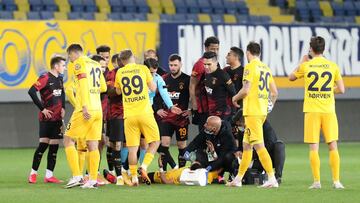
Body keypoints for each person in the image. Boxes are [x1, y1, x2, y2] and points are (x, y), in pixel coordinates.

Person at [289, 36, 345, 189]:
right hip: (328, 110)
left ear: (311, 49)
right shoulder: (332, 66)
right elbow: (342, 89)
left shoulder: (306, 66)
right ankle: (336, 181)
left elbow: (291, 77)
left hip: (312, 110)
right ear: (323, 49)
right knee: (333, 145)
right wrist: (328, 92)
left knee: (314, 147)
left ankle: (317, 182)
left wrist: (302, 62)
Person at [227, 41, 279, 188]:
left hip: (252, 112)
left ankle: (271, 178)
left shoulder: (250, 67)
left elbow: (246, 90)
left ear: (248, 52)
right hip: (261, 112)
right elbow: (274, 93)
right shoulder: (266, 68)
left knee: (258, 145)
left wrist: (234, 98)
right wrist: (268, 107)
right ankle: (238, 179)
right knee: (246, 146)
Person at [63, 44, 107, 189]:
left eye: (69, 56)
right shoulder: (95, 63)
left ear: (74, 53)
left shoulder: (78, 63)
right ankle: (93, 179)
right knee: (92, 144)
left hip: (85, 110)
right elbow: (103, 87)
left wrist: (84, 106)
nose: (70, 60)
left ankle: (77, 176)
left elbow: (82, 85)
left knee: (68, 139)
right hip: (98, 110)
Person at [114, 49, 159, 186]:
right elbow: (153, 89)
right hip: (145, 113)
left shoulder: (119, 72)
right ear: (133, 57)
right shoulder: (143, 68)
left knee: (132, 148)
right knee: (155, 141)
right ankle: (144, 166)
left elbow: (117, 91)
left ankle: (133, 177)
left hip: (129, 115)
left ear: (122, 61)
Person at [27, 55, 66, 184]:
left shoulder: (60, 79)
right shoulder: (45, 78)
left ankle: (49, 175)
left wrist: (63, 107)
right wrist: (42, 109)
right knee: (43, 145)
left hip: (57, 118)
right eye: (63, 65)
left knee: (54, 146)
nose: (65, 68)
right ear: (56, 66)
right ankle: (33, 173)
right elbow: (32, 91)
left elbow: (62, 93)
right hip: (47, 117)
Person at [155, 54, 190, 171]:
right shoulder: (163, 78)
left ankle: (181, 171)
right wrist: (158, 109)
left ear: (180, 64)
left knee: (181, 145)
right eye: (171, 65)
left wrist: (191, 110)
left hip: (181, 118)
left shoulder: (188, 79)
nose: (173, 67)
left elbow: (196, 96)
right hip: (166, 117)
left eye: (175, 65)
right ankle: (163, 171)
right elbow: (156, 96)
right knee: (164, 144)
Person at [102, 54, 126, 186]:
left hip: (130, 114)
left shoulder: (131, 73)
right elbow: (109, 91)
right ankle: (117, 175)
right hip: (115, 114)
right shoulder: (112, 74)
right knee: (113, 144)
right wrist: (121, 89)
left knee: (130, 144)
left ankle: (125, 171)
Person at [190, 36, 220, 132]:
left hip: (215, 106)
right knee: (204, 135)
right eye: (212, 49)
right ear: (206, 48)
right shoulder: (200, 64)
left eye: (217, 49)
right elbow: (192, 85)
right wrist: (194, 105)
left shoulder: (216, 63)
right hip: (204, 108)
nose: (215, 51)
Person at [203, 51, 236, 121]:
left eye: (209, 64)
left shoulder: (223, 75)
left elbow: (233, 93)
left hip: (223, 114)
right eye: (204, 64)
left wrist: (233, 114)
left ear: (215, 62)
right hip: (211, 113)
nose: (206, 67)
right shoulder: (206, 74)